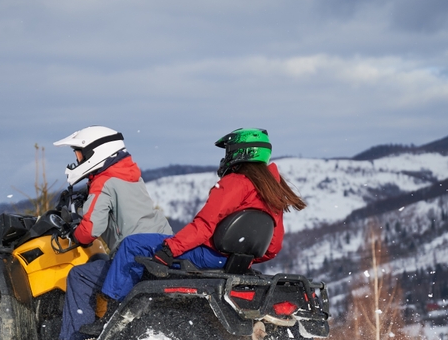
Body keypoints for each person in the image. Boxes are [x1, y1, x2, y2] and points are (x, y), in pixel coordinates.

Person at [91, 127, 306, 315]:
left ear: (241, 153)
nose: (225, 157)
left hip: (210, 255)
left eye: (228, 151)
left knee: (132, 245)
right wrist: (242, 258)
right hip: (234, 262)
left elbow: (203, 227)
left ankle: (109, 311)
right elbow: (273, 247)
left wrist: (170, 249)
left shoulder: (235, 182)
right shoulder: (272, 191)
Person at [53, 126, 171, 340]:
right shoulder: (129, 173)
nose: (77, 160)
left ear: (96, 152)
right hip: (161, 245)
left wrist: (74, 233)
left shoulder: (104, 181)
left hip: (134, 253)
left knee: (79, 276)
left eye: (79, 154)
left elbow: (89, 232)